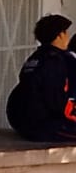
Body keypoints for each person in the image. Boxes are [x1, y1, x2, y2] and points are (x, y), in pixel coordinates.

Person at [6, 14, 76, 143]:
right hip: (43, 125)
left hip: (22, 122)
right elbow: (56, 102)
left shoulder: (36, 57)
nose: (68, 38)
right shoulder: (56, 61)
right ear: (60, 35)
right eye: (66, 33)